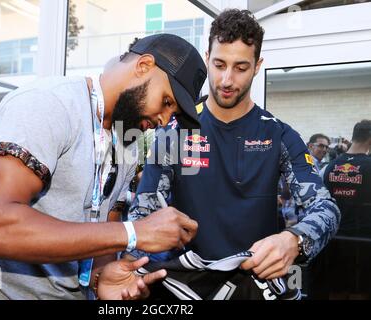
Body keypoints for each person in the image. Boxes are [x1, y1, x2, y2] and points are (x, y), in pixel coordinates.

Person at [0, 33, 205, 300]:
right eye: (167, 102)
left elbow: (104, 231)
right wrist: (135, 232)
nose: (164, 120)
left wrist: (101, 278)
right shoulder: (48, 104)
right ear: (143, 66)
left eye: (173, 115)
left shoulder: (129, 143)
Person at [128, 9, 340, 298]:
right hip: (186, 288)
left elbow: (326, 208)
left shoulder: (279, 135)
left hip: (254, 285)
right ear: (207, 59)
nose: (226, 79)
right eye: (219, 64)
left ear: (257, 66)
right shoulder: (173, 132)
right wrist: (131, 271)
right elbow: (142, 214)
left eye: (240, 67)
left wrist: (294, 240)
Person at [316, 119, 371, 299]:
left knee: (336, 290)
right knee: (360, 292)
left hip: (334, 241)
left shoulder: (326, 167)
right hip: (363, 242)